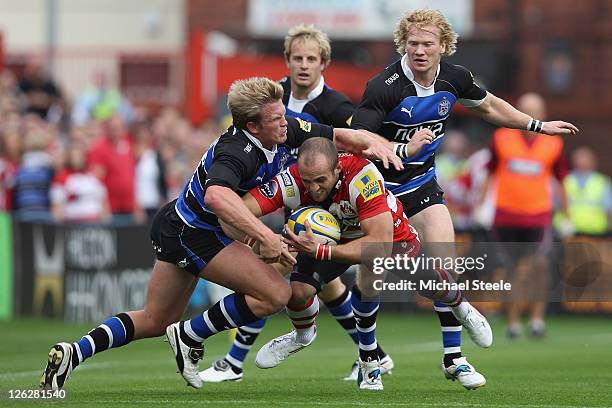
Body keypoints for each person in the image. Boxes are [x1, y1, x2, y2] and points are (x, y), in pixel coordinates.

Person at [39, 76, 402, 390]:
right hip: (194, 233)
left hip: (177, 224)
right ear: (253, 126)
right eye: (276, 118)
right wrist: (265, 237)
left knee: (154, 319)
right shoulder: (236, 151)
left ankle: (73, 353)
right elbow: (216, 195)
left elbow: (336, 134)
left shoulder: (282, 126)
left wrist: (385, 146)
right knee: (275, 292)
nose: (285, 122)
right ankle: (189, 336)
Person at [350, 9, 578, 387]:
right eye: (412, 43)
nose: (419, 51)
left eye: (427, 44)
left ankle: (454, 358)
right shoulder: (383, 85)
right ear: (403, 44)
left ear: (444, 46)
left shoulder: (455, 78)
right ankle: (368, 358)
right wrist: (399, 146)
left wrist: (537, 125)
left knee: (446, 266)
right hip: (379, 190)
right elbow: (357, 140)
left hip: (421, 186)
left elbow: (489, 106)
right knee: (371, 276)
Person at [200, 24, 391, 384]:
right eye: (297, 57)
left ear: (324, 64)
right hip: (285, 195)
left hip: (328, 208)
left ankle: (234, 360)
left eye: (311, 59)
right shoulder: (274, 97)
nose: (304, 65)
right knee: (320, 286)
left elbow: (355, 147)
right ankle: (373, 353)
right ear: (286, 61)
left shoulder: (336, 106)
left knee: (275, 276)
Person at [229, 137, 490, 390]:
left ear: (337, 168)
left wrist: (320, 250)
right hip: (332, 236)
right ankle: (311, 338)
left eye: (321, 180)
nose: (315, 189)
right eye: (308, 182)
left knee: (428, 285)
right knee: (298, 293)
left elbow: (378, 246)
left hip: (387, 235)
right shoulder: (292, 180)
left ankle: (462, 306)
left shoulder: (363, 177)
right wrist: (260, 240)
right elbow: (239, 210)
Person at [485, 92, 569, 338]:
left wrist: (566, 214)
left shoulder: (553, 142)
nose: (530, 114)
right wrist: (482, 204)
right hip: (506, 214)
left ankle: (536, 320)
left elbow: (561, 180)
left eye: (535, 110)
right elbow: (489, 172)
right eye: (524, 109)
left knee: (539, 267)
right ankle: (512, 322)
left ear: (543, 114)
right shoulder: (501, 137)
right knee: (510, 269)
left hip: (538, 215)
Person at [563, 147, 612, 236]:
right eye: (579, 158)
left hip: (597, 232)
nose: (582, 161)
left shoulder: (602, 182)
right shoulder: (565, 181)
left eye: (585, 158)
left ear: (593, 161)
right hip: (570, 232)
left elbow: (609, 208)